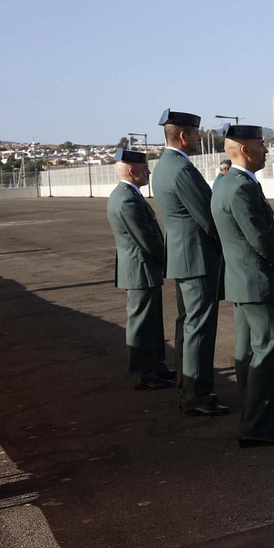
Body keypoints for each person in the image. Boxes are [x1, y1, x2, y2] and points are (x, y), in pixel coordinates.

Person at [209, 123, 274, 447]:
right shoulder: (242, 187)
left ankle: (260, 413)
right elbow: (260, 238)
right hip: (257, 282)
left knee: (248, 354)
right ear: (246, 149)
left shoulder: (226, 182)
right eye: (262, 144)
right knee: (267, 352)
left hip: (241, 281)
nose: (266, 149)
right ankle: (256, 424)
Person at [153, 110, 228, 415]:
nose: (200, 138)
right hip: (197, 257)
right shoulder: (182, 169)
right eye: (197, 134)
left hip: (183, 256)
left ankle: (189, 386)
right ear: (184, 135)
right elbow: (207, 216)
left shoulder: (164, 165)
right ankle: (197, 395)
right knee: (199, 327)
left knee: (188, 325)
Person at [106, 147, 174, 391]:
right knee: (141, 324)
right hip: (140, 269)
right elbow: (147, 240)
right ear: (133, 170)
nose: (148, 173)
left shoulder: (126, 194)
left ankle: (155, 366)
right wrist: (171, 260)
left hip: (142, 269)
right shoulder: (126, 199)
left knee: (151, 321)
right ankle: (143, 373)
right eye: (145, 169)